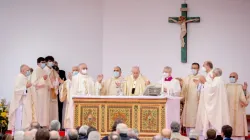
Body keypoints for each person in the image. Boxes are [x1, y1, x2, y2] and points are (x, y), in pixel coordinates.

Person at [195, 68, 230, 138]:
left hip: (215, 106)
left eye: (213, 73)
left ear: (215, 74)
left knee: (213, 122)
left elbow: (211, 90)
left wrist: (204, 82)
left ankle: (212, 136)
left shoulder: (217, 80)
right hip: (217, 104)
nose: (212, 75)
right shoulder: (220, 80)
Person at [8, 64, 32, 131]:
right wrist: (26, 87)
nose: (29, 71)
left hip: (24, 103)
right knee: (20, 121)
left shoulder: (24, 77)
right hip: (20, 104)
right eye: (27, 70)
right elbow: (17, 91)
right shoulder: (20, 77)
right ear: (23, 70)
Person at [225, 72, 249, 140]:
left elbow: (245, 100)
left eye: (233, 76)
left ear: (237, 78)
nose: (231, 78)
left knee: (239, 127)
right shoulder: (225, 86)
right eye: (230, 76)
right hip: (228, 111)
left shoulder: (240, 87)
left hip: (238, 111)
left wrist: (244, 90)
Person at [181, 63, 201, 134]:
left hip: (197, 102)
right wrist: (182, 98)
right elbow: (183, 90)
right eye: (192, 68)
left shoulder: (201, 78)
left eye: (195, 68)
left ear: (198, 69)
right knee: (188, 120)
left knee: (195, 120)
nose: (193, 69)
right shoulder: (187, 78)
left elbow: (204, 90)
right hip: (188, 102)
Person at [31, 57, 49, 127]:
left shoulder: (44, 71)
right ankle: (39, 124)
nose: (44, 64)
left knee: (44, 109)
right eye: (42, 62)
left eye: (44, 62)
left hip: (45, 93)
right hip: (39, 93)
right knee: (39, 109)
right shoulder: (36, 70)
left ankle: (44, 124)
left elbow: (47, 82)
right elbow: (33, 82)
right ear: (38, 63)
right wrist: (42, 79)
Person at [44, 56, 61, 123]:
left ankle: (54, 124)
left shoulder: (53, 70)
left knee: (53, 109)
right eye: (50, 61)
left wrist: (56, 83)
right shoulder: (44, 70)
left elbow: (58, 79)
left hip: (53, 91)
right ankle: (46, 124)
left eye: (52, 61)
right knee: (47, 109)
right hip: (47, 92)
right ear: (46, 62)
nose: (51, 63)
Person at [54, 61, 67, 126]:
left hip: (60, 93)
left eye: (56, 65)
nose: (55, 67)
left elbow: (65, 81)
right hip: (52, 93)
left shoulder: (62, 72)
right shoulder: (49, 73)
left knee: (60, 109)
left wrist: (62, 82)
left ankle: (60, 125)